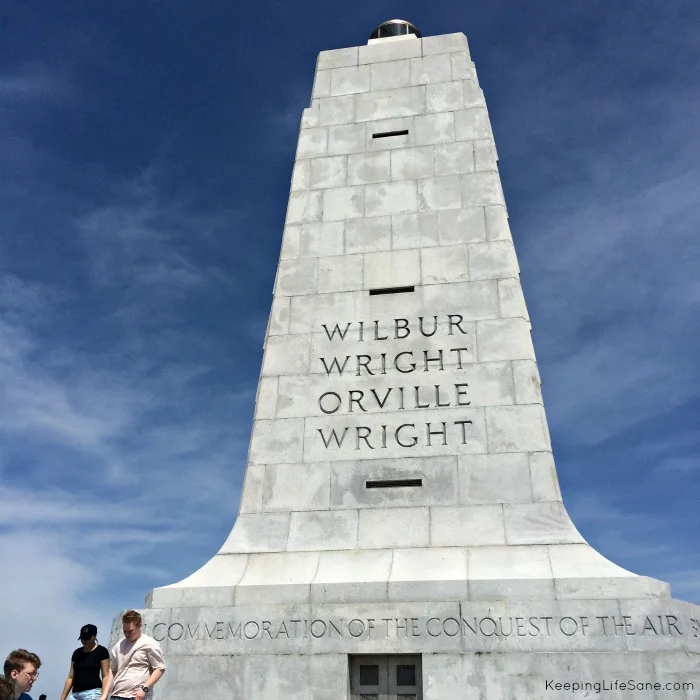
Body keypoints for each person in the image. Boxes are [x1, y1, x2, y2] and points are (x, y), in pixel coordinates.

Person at [109, 610, 165, 700]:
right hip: (116, 695)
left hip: (136, 696)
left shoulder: (149, 643)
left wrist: (144, 688)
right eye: (124, 631)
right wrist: (104, 694)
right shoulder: (118, 646)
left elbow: (160, 668)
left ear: (139, 626)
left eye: (130, 631)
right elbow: (112, 671)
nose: (127, 634)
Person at [59, 624, 110, 700]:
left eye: (87, 638)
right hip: (75, 694)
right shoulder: (76, 653)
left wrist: (104, 695)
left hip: (93, 692)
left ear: (94, 636)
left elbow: (106, 676)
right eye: (82, 638)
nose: (84, 641)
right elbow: (70, 677)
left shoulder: (102, 651)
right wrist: (62, 698)